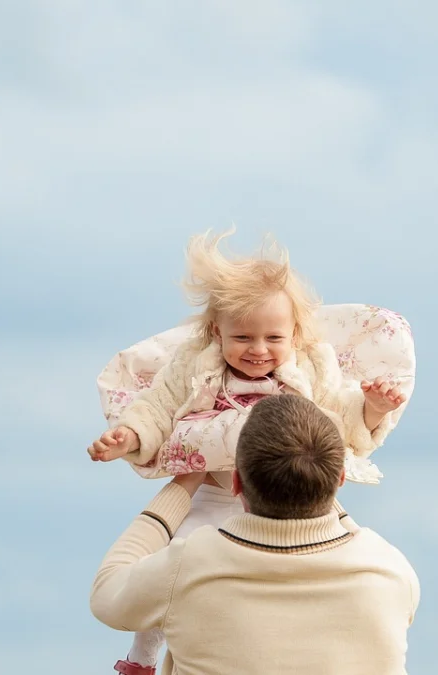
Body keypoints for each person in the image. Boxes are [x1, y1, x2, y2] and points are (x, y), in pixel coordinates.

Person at [86, 229, 408, 672]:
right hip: (212, 494)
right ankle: (141, 659)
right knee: (169, 561)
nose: (258, 351)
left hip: (290, 494)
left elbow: (341, 420)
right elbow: (158, 408)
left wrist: (372, 408)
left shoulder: (313, 366)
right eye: (242, 339)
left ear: (295, 333)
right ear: (216, 332)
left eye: (273, 339)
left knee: (179, 572)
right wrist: (131, 436)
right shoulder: (194, 365)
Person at [90, 394, 420, 674]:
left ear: (235, 484)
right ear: (341, 480)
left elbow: (107, 594)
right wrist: (318, 482)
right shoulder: (390, 571)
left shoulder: (190, 565)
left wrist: (183, 483)